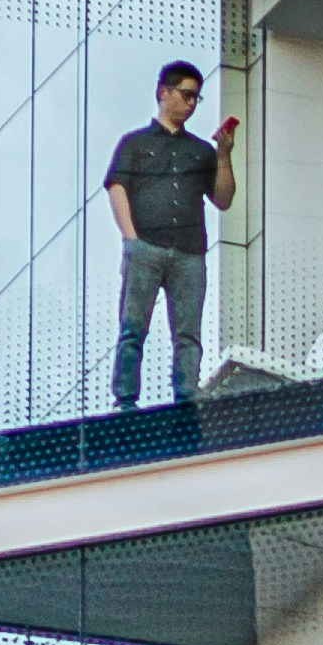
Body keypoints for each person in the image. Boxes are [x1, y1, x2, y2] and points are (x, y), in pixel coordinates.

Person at [104, 61, 238, 410]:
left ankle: (186, 398)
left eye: (197, 97)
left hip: (189, 253)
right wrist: (130, 238)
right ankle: (125, 402)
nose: (192, 103)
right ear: (164, 93)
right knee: (133, 329)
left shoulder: (201, 151)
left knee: (188, 334)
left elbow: (223, 199)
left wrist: (223, 155)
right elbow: (117, 187)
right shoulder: (134, 143)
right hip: (145, 246)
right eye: (186, 94)